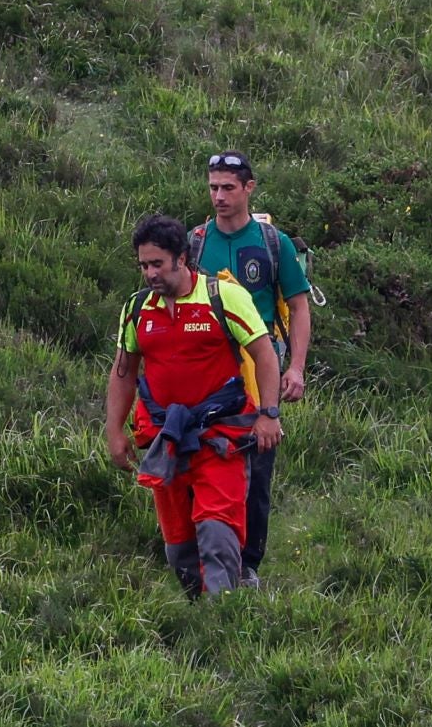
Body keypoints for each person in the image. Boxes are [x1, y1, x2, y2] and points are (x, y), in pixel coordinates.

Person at [106, 213, 282, 598]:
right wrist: (114, 430)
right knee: (179, 546)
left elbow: (265, 355)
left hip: (221, 436)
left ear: (181, 259)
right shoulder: (137, 309)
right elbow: (123, 372)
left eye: (157, 264)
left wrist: (269, 414)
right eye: (143, 265)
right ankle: (196, 614)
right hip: (164, 437)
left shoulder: (224, 297)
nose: (150, 273)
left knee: (217, 529)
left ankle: (225, 617)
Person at [191, 151, 313, 587]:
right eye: (212, 187)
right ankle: (201, 561)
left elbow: (299, 307)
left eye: (228, 187)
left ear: (249, 188)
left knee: (257, 469)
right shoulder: (196, 242)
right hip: (207, 372)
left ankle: (248, 565)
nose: (219, 196)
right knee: (202, 462)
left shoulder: (271, 243)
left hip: (259, 369)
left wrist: (295, 367)